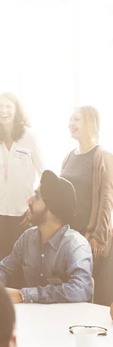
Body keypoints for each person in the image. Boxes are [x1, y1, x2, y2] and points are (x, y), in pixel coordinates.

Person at [0, 170, 93, 303]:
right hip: (32, 319)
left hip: (65, 321)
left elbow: (81, 289)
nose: (29, 200)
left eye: (36, 196)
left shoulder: (76, 245)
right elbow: (4, 270)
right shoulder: (27, 237)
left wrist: (24, 295)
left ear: (52, 208)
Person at [0, 93, 44, 260]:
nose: (4, 110)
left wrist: (34, 211)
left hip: (25, 216)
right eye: (0, 106)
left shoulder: (29, 137)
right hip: (1, 216)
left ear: (16, 110)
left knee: (26, 264)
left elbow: (44, 174)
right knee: (3, 262)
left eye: (8, 106)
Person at [61, 106, 113, 305]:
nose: (71, 124)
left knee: (90, 292)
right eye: (70, 120)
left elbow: (108, 198)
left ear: (90, 123)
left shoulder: (102, 156)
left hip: (89, 236)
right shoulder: (68, 156)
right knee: (70, 289)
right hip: (68, 234)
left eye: (76, 119)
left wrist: (99, 237)